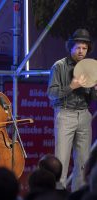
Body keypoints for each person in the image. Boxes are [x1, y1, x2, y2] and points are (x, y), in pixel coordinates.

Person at [47, 29, 97, 191]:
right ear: (71, 47)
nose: (81, 51)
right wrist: (71, 86)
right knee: (61, 160)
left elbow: (93, 97)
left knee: (83, 161)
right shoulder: (59, 66)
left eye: (84, 48)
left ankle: (79, 194)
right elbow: (52, 93)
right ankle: (58, 194)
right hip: (65, 114)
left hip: (84, 115)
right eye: (78, 47)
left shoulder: (90, 67)